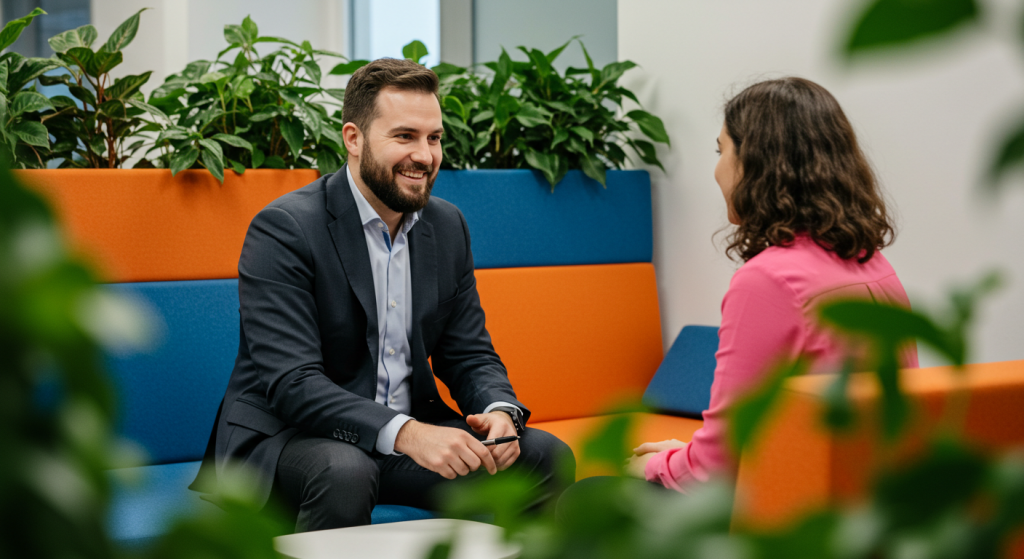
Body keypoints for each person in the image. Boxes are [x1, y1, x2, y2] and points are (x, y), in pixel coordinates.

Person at [190, 57, 573, 531]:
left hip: (401, 442)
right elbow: (293, 383)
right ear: (353, 139)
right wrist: (410, 434)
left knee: (544, 456)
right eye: (405, 136)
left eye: (434, 138)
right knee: (346, 471)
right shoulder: (286, 228)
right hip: (290, 439)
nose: (426, 155)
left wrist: (499, 411)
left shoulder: (447, 225)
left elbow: (469, 353)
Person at [626, 77, 919, 492]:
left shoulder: (768, 280)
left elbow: (716, 470)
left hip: (782, 511)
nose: (717, 169)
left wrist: (658, 466)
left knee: (584, 498)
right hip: (857, 498)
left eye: (720, 150)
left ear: (755, 163)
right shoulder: (873, 263)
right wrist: (686, 452)